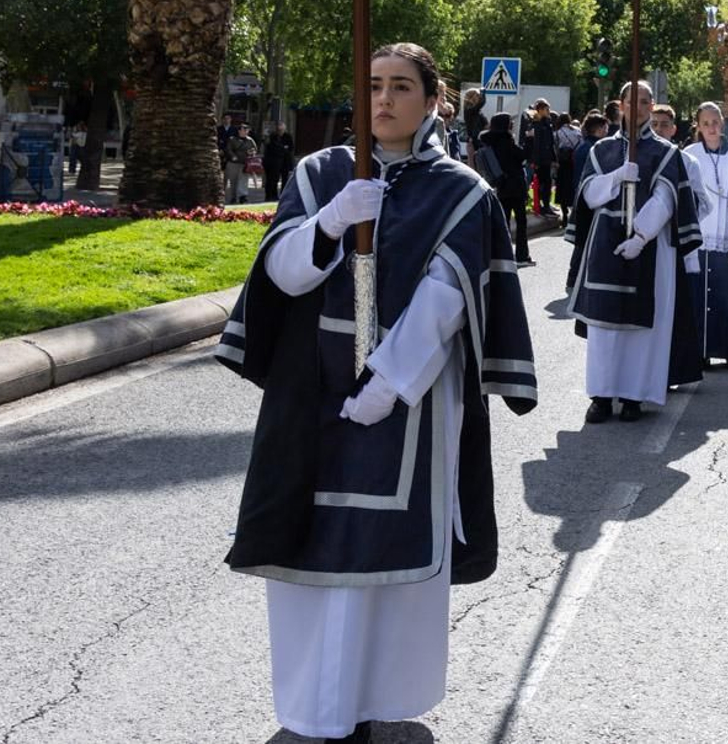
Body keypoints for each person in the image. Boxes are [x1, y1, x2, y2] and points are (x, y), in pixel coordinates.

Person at [213, 41, 537, 744]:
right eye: (373, 85)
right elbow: (281, 274)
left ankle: (370, 703)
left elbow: (447, 298)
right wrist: (330, 221)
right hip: (310, 397)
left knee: (381, 548)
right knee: (311, 542)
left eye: (400, 87)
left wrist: (389, 382)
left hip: (410, 402)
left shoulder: (461, 191)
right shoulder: (319, 173)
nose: (383, 100)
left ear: (433, 100)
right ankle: (314, 710)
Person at [566, 81, 702, 423]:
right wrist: (616, 177)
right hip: (605, 247)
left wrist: (641, 235)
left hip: (650, 248)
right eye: (632, 101)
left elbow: (666, 199)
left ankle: (633, 397)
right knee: (605, 327)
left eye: (644, 102)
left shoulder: (666, 152)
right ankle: (600, 396)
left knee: (643, 329)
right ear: (621, 105)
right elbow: (589, 196)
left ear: (651, 106)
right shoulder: (601, 150)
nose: (638, 107)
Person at [685, 101, 728, 369]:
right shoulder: (690, 154)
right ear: (699, 126)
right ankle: (701, 350)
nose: (712, 128)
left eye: (715, 122)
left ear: (722, 122)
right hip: (701, 236)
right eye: (706, 123)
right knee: (700, 297)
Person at [651, 103, 708, 390]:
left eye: (664, 124)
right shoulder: (639, 156)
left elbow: (704, 204)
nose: (659, 129)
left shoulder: (688, 162)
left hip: (678, 247)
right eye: (654, 124)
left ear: (674, 129)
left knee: (674, 315)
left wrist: (679, 215)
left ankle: (672, 373)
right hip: (648, 249)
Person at [476, 113, 534, 267]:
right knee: (521, 222)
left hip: (501, 186)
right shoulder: (507, 142)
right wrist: (529, 139)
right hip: (515, 187)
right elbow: (523, 155)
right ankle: (522, 256)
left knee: (504, 222)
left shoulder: (489, 142)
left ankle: (503, 255)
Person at [554, 112, 582, 219]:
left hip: (562, 163)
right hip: (574, 162)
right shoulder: (577, 131)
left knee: (562, 187)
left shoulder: (558, 133)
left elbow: (555, 147)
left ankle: (564, 212)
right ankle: (574, 210)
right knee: (572, 185)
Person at [223, 122, 258, 205]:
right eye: (243, 130)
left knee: (243, 180)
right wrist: (233, 156)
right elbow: (228, 149)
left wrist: (252, 153)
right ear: (239, 131)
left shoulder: (250, 140)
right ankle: (233, 197)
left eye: (247, 130)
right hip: (233, 163)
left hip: (244, 163)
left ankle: (243, 197)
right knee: (233, 181)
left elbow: (254, 149)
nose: (245, 132)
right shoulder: (232, 139)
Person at [262, 121, 296, 201]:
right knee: (272, 180)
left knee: (285, 180)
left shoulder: (288, 136)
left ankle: (283, 196)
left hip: (285, 162)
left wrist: (283, 149)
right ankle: (271, 196)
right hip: (273, 163)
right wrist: (283, 148)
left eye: (282, 127)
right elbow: (272, 148)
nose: (280, 129)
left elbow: (290, 148)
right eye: (279, 127)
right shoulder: (273, 136)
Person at [460, 90, 486, 167]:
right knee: (473, 162)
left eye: (479, 95)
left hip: (479, 139)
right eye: (477, 95)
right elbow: (481, 103)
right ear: (471, 98)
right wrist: (483, 94)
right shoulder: (468, 110)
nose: (479, 97)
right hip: (473, 139)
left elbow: (485, 124)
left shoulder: (478, 112)